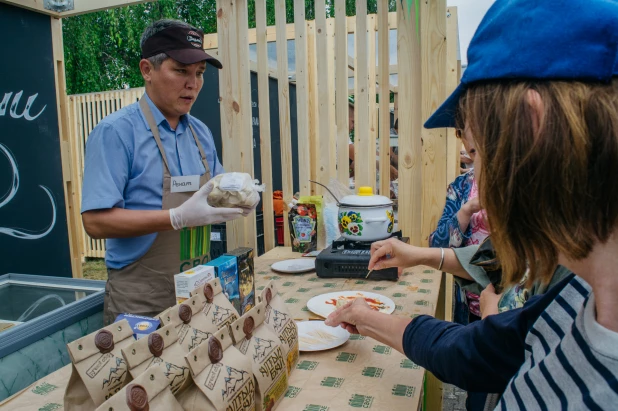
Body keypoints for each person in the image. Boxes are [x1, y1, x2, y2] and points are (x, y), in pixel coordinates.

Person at [326, 0, 618, 408]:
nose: (476, 180)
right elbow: (475, 349)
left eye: (476, 153)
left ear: (532, 131)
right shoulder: (577, 293)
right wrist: (368, 317)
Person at [81, 19, 256, 324]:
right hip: (141, 298)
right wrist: (175, 218)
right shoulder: (116, 133)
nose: (194, 84)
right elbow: (95, 222)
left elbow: (216, 193)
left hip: (199, 290)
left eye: (199, 74)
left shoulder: (200, 134)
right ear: (147, 69)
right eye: (181, 71)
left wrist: (241, 193)